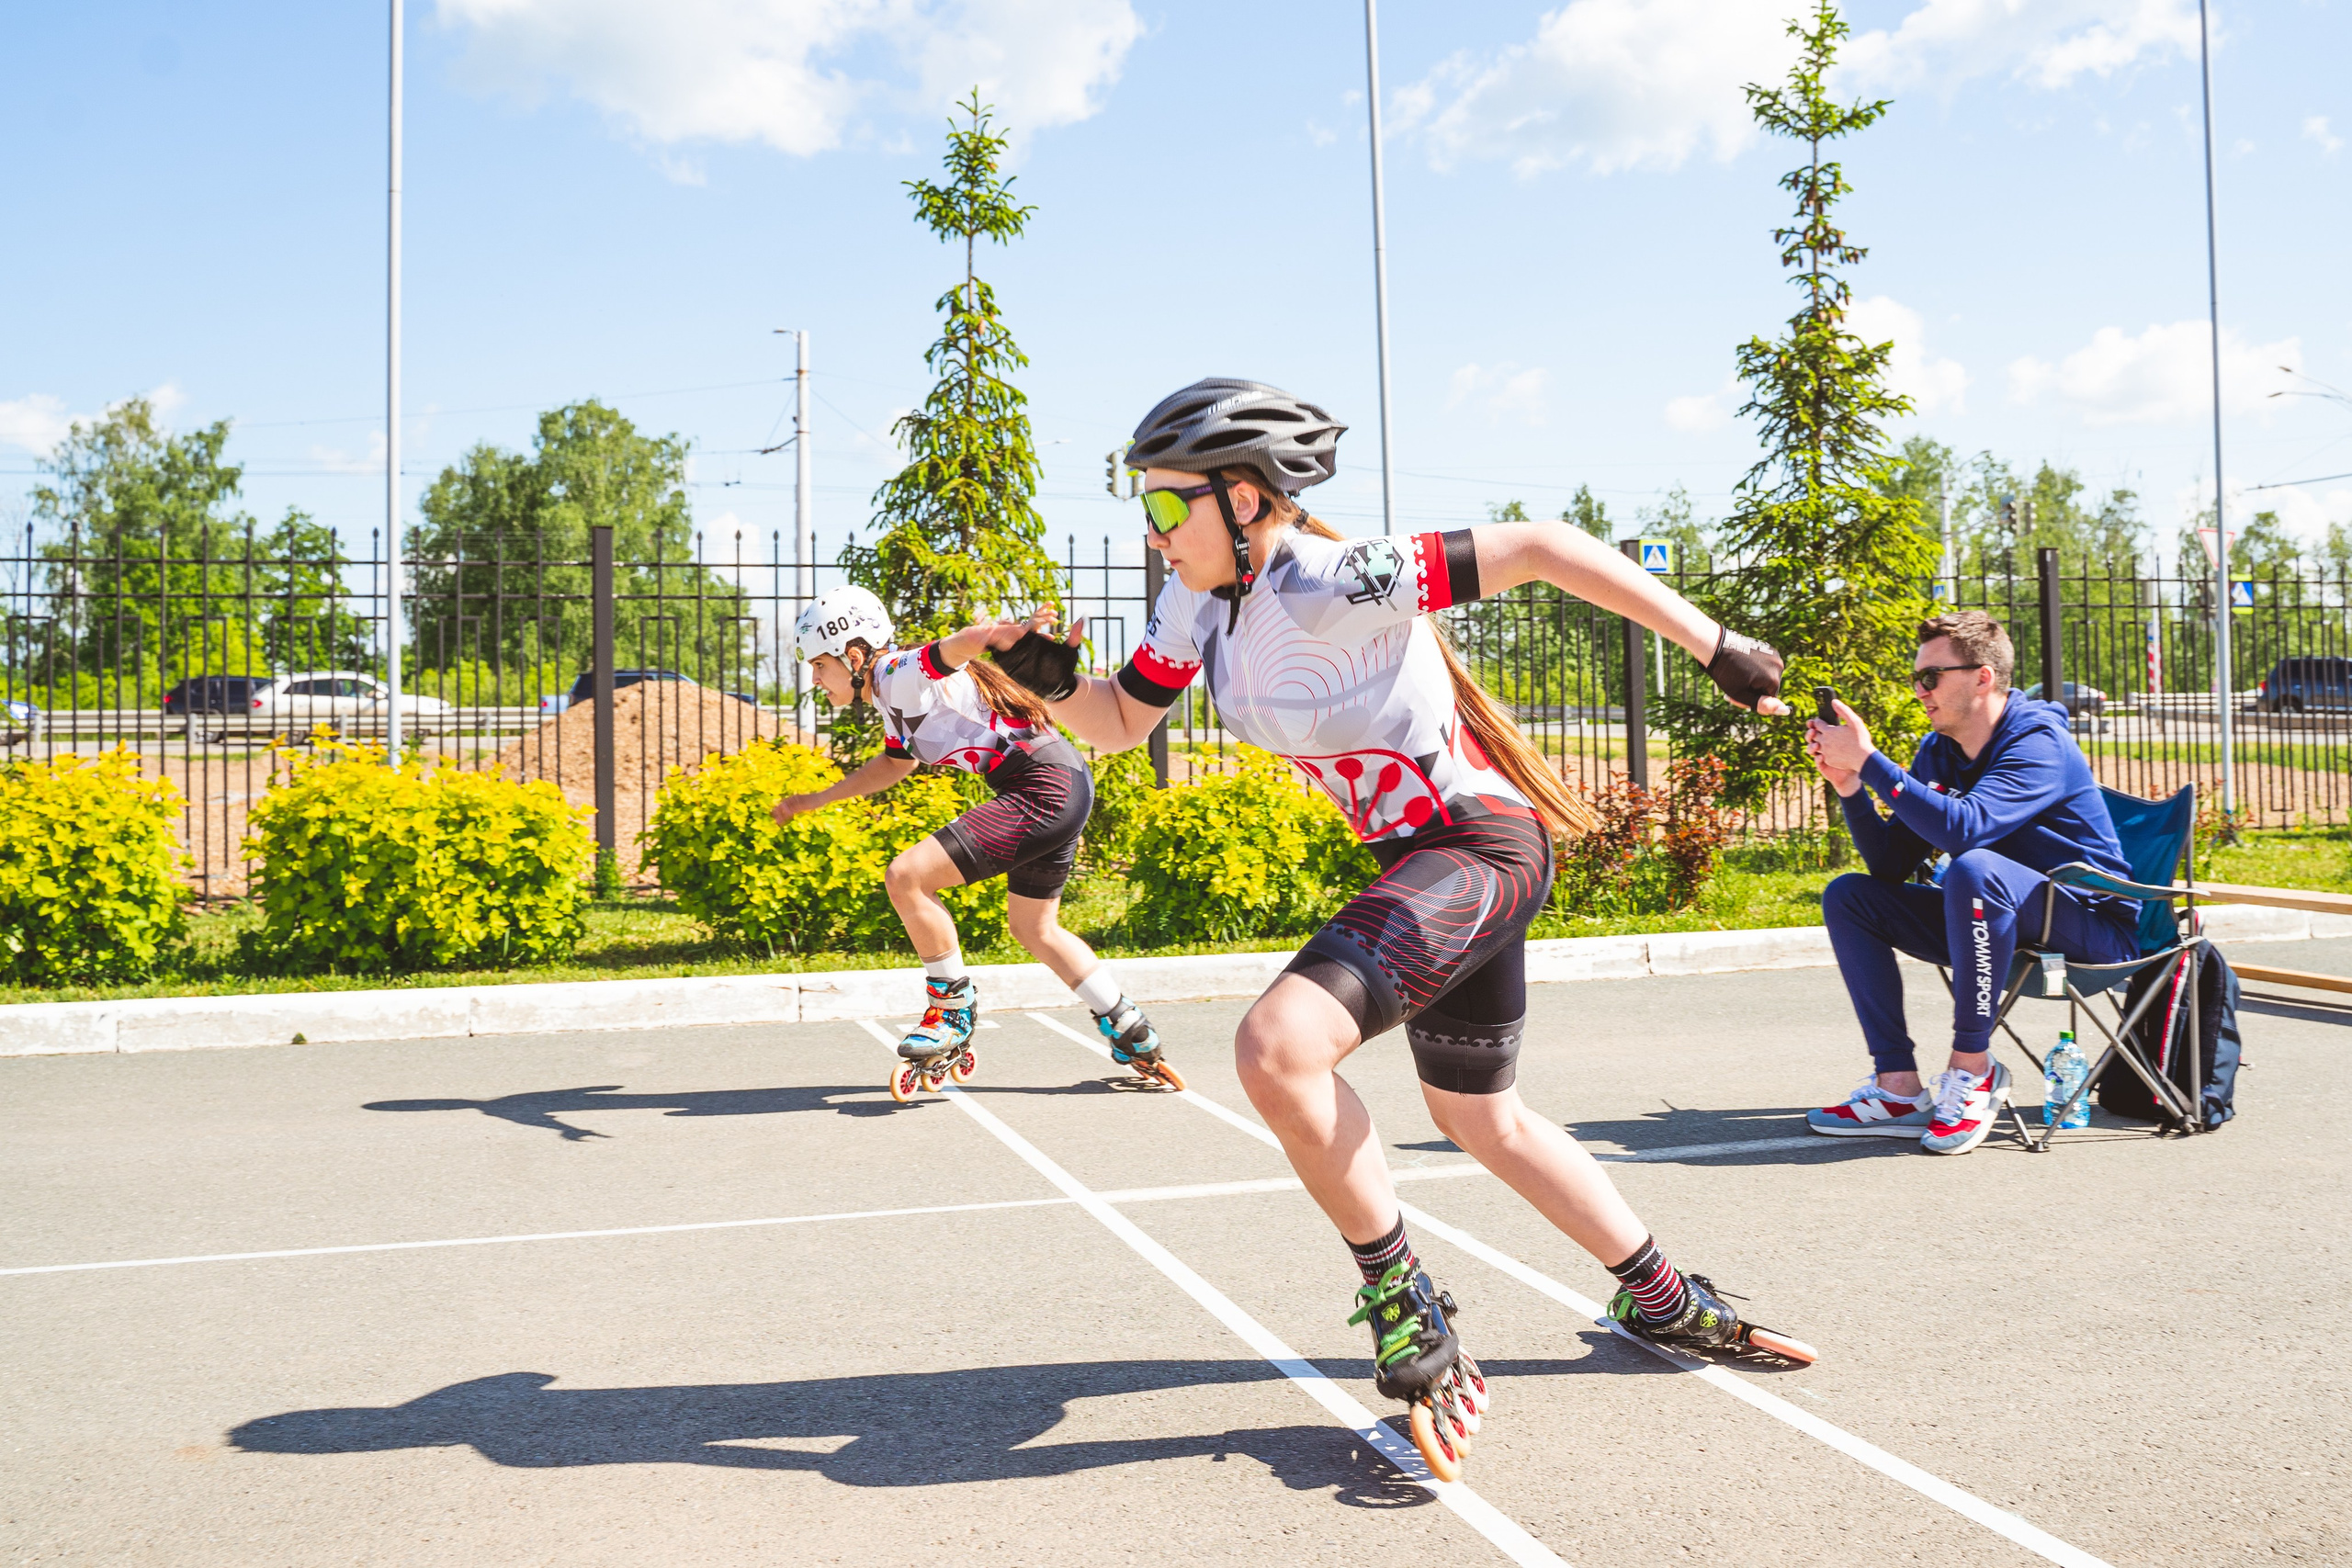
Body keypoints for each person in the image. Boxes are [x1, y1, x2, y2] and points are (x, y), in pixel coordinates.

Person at [978, 378, 1812, 1482]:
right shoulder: (1196, 605)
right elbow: (1122, 722)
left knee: (1277, 1047)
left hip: (1480, 847)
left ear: (1242, 499)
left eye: (1169, 505)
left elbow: (1543, 547)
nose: (1152, 530)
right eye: (1144, 506)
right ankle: (1662, 1298)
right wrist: (1045, 679)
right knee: (1479, 1117)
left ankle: (1404, 1301)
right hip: (1422, 864)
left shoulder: (1333, 578)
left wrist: (1715, 644)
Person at [775, 586, 1182, 1098]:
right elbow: (894, 764)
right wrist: (814, 800)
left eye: (819, 665)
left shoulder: (897, 674)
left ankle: (951, 1009)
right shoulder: (892, 697)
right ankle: (1130, 1028)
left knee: (906, 878)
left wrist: (995, 636)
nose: (814, 679)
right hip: (1062, 781)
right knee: (1034, 927)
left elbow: (953, 649)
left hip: (1044, 788)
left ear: (853, 657)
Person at [1804, 611, 2137, 1156]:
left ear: (1983, 677)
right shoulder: (1939, 750)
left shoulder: (2038, 741)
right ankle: (1898, 1088)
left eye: (1931, 677)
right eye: (1917, 677)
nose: (1920, 690)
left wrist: (1870, 759)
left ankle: (1973, 1069)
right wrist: (1850, 787)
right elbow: (1889, 864)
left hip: (2092, 929)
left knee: (1974, 867)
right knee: (1851, 896)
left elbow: (1966, 829)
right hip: (1995, 920)